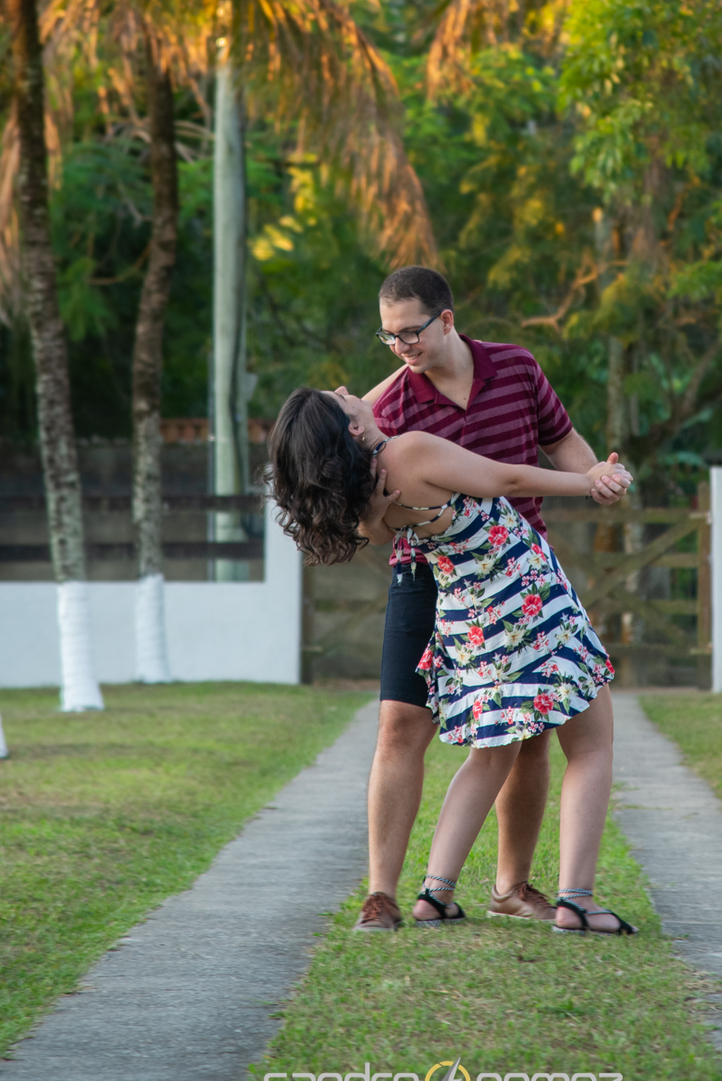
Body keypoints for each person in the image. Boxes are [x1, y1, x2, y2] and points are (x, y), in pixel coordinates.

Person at [269, 385, 637, 935]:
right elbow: (506, 479)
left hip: (471, 622)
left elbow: (369, 507)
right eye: (341, 397)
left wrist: (364, 393)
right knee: (591, 744)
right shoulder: (410, 451)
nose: (352, 390)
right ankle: (576, 900)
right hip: (525, 599)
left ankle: (435, 895)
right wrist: (587, 482)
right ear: (349, 429)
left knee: (491, 756)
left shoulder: (371, 497)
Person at [341, 266, 627, 931]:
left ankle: (509, 885)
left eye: (411, 331)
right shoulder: (393, 409)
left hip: (515, 565)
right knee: (401, 726)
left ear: (447, 318)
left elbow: (561, 443)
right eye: (388, 337)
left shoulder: (516, 368)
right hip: (431, 574)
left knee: (527, 738)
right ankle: (383, 891)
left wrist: (596, 475)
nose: (402, 346)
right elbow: (355, 481)